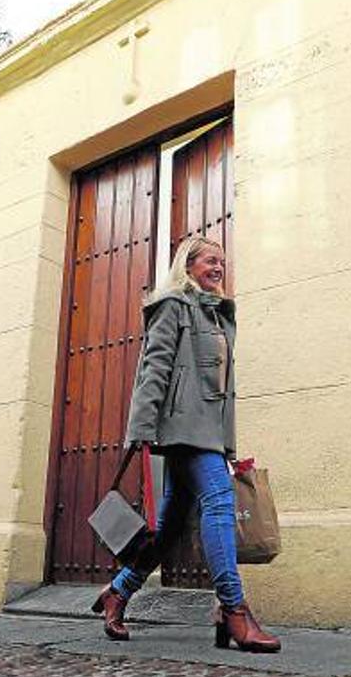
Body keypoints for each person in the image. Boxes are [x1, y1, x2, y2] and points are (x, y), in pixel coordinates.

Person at [89, 234, 281, 653]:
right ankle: (232, 610)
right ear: (188, 265)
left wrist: (225, 441)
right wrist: (140, 429)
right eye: (210, 260)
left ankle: (118, 592)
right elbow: (154, 367)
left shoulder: (217, 315)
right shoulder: (174, 306)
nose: (218, 267)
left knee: (172, 526)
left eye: (222, 262)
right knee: (218, 500)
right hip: (183, 430)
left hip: (209, 432)